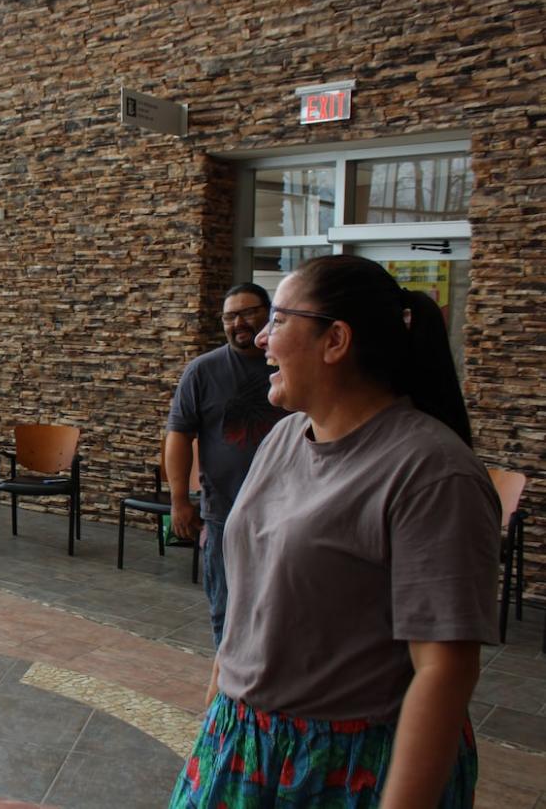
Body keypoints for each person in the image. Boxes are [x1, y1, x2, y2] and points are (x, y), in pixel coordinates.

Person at [170, 255, 500, 808]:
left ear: (336, 340)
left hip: (348, 767)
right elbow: (252, 605)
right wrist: (216, 715)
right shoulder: (284, 438)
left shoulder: (430, 473)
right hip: (244, 739)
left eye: (278, 320)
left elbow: (444, 671)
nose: (262, 339)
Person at [165, 282, 288, 647]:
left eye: (248, 312)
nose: (239, 323)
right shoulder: (203, 371)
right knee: (225, 610)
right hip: (224, 514)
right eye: (230, 316)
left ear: (268, 313)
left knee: (280, 610)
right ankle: (228, 695)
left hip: (285, 511)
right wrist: (179, 500)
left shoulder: (290, 365)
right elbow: (178, 436)